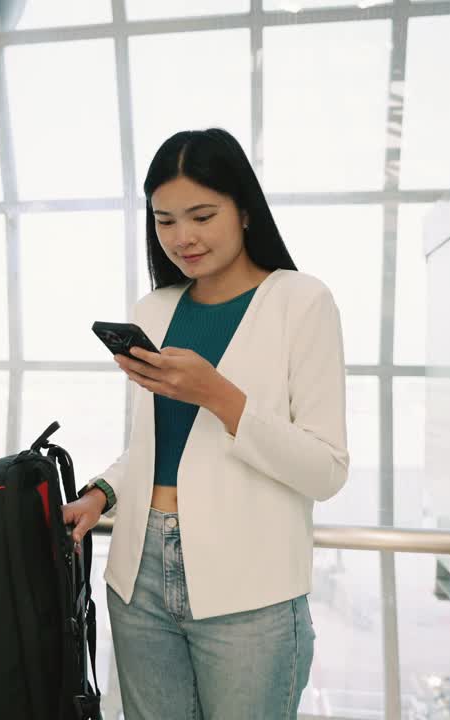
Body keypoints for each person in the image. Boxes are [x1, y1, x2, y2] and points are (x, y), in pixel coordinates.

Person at [62, 128, 349, 719]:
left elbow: (325, 470)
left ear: (244, 210)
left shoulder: (302, 301)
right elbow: (155, 446)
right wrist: (102, 492)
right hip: (138, 576)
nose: (182, 238)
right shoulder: (156, 309)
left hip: (251, 587)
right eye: (165, 220)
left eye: (201, 215)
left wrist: (220, 396)